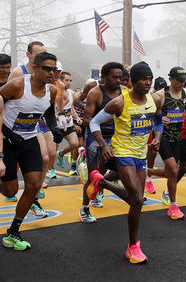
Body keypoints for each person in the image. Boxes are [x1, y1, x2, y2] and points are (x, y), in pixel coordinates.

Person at [87, 61, 163, 264]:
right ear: (132, 81)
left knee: (135, 201)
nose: (148, 83)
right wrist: (103, 145)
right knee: (137, 199)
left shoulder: (155, 99)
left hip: (140, 154)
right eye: (144, 80)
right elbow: (94, 122)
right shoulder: (120, 102)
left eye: (150, 79)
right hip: (122, 152)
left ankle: (101, 182)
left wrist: (157, 137)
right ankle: (133, 247)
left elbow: (158, 120)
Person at [1, 52, 63, 250]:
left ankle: (13, 231)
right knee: (10, 191)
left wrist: (54, 129)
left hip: (28, 141)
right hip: (7, 142)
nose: (52, 73)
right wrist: (8, 133)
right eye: (47, 68)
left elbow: (48, 112)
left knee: (33, 185)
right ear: (35, 68)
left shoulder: (52, 91)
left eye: (54, 69)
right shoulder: (18, 85)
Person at [8, 41, 53, 217]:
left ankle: (33, 197)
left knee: (46, 157)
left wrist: (54, 125)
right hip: (15, 123)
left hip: (36, 121)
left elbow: (50, 99)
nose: (43, 56)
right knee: (17, 164)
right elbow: (8, 98)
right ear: (29, 55)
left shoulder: (46, 73)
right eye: (38, 54)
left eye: (45, 53)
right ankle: (10, 180)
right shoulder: (19, 73)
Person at [147, 67, 186, 219]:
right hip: (164, 137)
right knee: (174, 171)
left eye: (184, 81)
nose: (182, 83)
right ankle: (173, 206)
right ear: (171, 79)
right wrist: (159, 121)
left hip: (178, 137)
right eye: (179, 80)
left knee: (170, 173)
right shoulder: (159, 96)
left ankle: (148, 172)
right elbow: (148, 116)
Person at [79, 62, 123, 223]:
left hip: (115, 136)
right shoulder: (95, 93)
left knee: (121, 171)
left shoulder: (123, 93)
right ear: (103, 77)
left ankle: (100, 186)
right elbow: (87, 119)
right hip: (95, 137)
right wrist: (106, 120)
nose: (118, 80)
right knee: (94, 175)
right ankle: (84, 208)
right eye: (115, 77)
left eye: (120, 77)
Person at [54, 71, 81, 175]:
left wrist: (76, 117)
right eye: (66, 80)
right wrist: (59, 117)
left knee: (75, 143)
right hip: (56, 125)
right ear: (60, 80)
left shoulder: (70, 92)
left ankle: (61, 154)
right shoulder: (54, 92)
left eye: (70, 80)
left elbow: (71, 107)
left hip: (68, 124)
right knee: (52, 150)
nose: (69, 82)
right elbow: (50, 111)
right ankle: (51, 170)